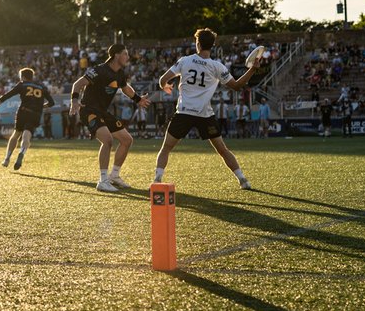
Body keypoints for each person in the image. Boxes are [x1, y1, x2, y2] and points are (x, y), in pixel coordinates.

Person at [152, 29, 258, 190]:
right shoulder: (217, 66)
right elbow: (237, 86)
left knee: (166, 148)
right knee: (222, 150)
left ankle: (157, 181)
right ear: (212, 45)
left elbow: (162, 80)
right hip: (204, 114)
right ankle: (243, 180)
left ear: (198, 44)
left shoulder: (185, 61)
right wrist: (252, 69)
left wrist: (165, 86)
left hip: (184, 112)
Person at [68, 44, 150, 192]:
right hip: (89, 110)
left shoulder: (120, 74)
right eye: (125, 54)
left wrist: (138, 99)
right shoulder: (99, 70)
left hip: (103, 112)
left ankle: (114, 176)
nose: (127, 56)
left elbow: (126, 89)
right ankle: (103, 180)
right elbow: (77, 84)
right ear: (116, 55)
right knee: (107, 140)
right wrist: (74, 101)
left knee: (127, 140)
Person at [0, 67, 55, 170]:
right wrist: (41, 106)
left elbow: (5, 96)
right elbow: (52, 103)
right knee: (27, 134)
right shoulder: (41, 87)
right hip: (35, 113)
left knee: (16, 134)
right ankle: (22, 152)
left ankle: (7, 158)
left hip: (23, 111)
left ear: (22, 77)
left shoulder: (22, 85)